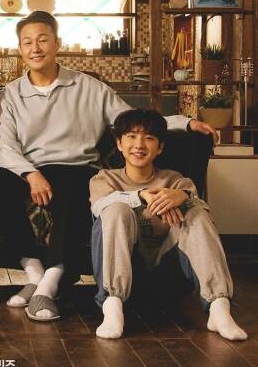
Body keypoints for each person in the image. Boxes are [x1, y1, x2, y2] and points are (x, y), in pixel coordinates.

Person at [0, 10, 218, 323]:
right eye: (27, 42)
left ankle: (52, 280)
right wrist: (30, 173)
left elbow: (131, 120)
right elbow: (6, 146)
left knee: (75, 186)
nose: (35, 48)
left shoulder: (90, 88)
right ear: (20, 49)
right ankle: (33, 270)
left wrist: (185, 123)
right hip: (32, 168)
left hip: (75, 167)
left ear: (57, 43)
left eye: (42, 40)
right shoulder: (10, 94)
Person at [90, 108, 246, 341]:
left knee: (196, 213)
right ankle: (112, 307)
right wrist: (140, 195)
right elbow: (98, 206)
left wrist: (183, 197)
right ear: (119, 144)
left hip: (169, 276)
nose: (139, 144)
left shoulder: (175, 180)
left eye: (149, 138)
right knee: (114, 208)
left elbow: (201, 211)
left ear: (160, 147)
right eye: (131, 136)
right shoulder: (105, 178)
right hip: (127, 274)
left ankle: (219, 307)